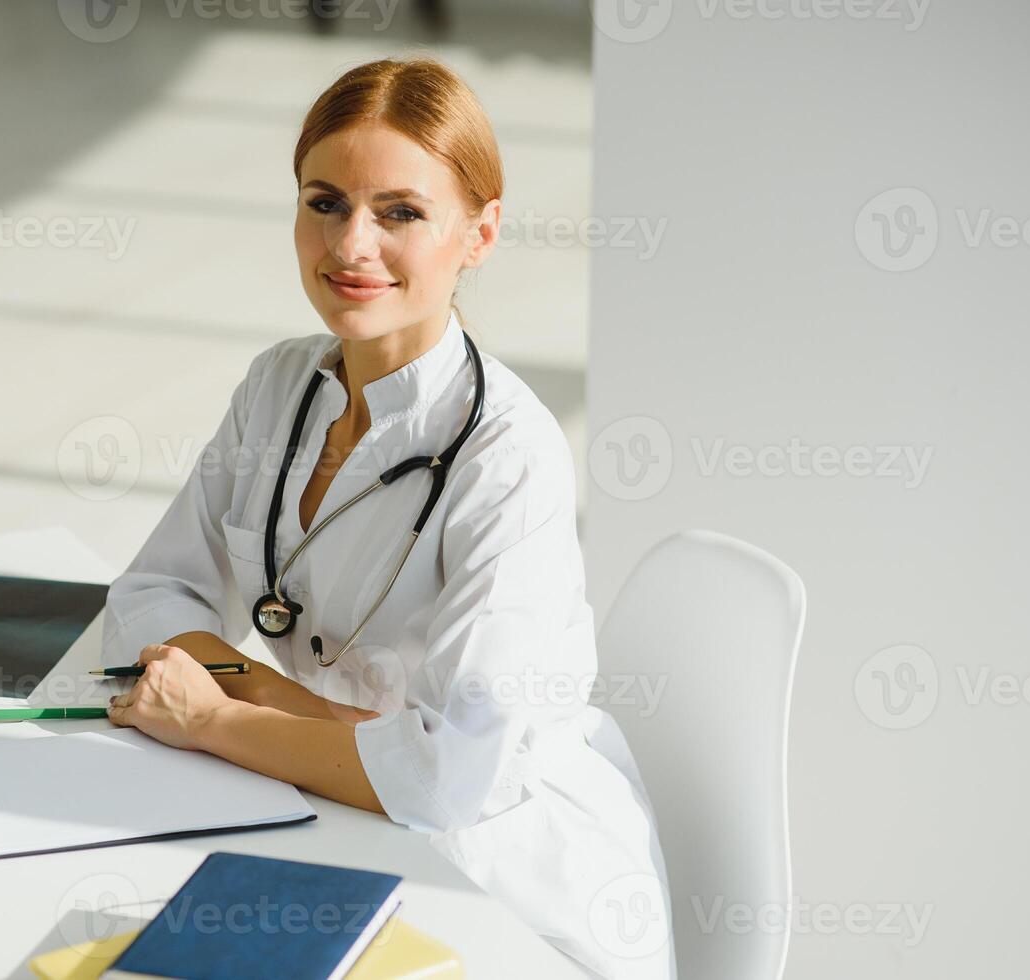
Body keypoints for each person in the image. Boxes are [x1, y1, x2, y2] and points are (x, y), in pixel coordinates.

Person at [103, 57, 675, 980]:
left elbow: (448, 780)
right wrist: (291, 705)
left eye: (400, 212)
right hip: (323, 805)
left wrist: (215, 719)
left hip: (502, 879)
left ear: (481, 233)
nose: (350, 246)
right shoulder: (280, 386)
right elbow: (150, 593)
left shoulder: (508, 457)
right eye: (324, 202)